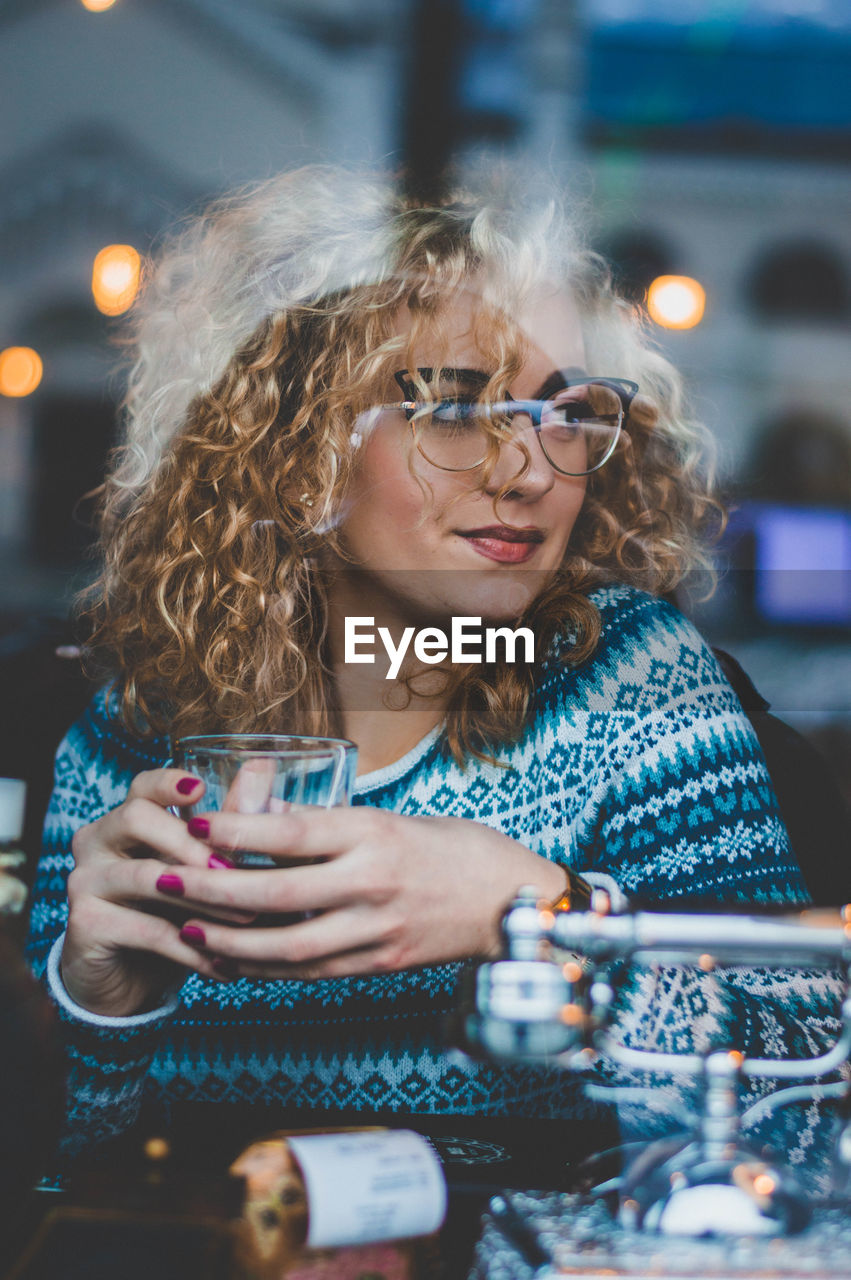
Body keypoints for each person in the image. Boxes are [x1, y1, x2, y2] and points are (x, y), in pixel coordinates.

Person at [26, 168, 840, 1177]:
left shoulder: (628, 681)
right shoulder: (132, 732)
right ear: (298, 444)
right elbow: (51, 1189)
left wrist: (543, 914)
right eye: (454, 408)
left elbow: (806, 1111)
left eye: (566, 411)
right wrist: (96, 1001)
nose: (531, 468)